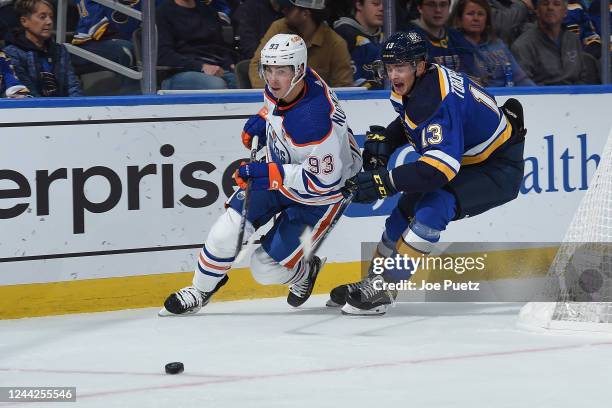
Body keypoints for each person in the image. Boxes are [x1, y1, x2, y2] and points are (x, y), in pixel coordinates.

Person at [160, 33, 362, 316]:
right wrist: (264, 118)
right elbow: (277, 106)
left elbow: (322, 183)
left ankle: (304, 273)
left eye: (281, 71)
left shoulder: (314, 122)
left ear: (299, 70)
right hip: (284, 171)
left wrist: (269, 173)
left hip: (320, 197)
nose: (273, 79)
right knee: (224, 233)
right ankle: (200, 289)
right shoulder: (293, 84)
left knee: (265, 270)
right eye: (269, 69)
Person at [327, 31, 527, 315]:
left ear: (420, 66)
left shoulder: (434, 99)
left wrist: (387, 181)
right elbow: (411, 120)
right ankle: (372, 282)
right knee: (404, 210)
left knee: (434, 206)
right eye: (390, 67)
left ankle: (387, 287)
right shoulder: (420, 83)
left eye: (401, 67)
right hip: (471, 158)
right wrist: (389, 139)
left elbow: (439, 170)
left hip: (498, 167)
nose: (393, 75)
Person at [248, 0, 354, 88]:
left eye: (289, 8)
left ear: (305, 13)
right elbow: (257, 65)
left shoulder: (335, 44)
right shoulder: (278, 28)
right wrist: (273, 94)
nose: (283, 10)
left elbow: (343, 87)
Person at [4, 0, 82, 97]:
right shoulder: (11, 54)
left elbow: (73, 86)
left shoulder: (60, 50)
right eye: (42, 17)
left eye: (51, 17)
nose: (49, 22)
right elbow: (26, 93)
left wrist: (74, 107)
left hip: (64, 109)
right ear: (24, 21)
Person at [511, 0, 597, 85]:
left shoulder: (573, 39)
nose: (550, 8)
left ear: (565, 12)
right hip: (542, 96)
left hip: (575, 95)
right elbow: (524, 87)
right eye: (545, 4)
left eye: (556, 4)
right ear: (537, 11)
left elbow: (583, 76)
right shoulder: (523, 45)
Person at [156, 0, 237, 90]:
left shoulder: (208, 11)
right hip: (178, 73)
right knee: (217, 85)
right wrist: (201, 67)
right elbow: (164, 55)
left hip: (214, 68)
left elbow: (219, 46)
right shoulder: (163, 13)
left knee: (243, 81)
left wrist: (229, 64)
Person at [450, 0, 535, 86]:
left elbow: (520, 78)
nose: (476, 18)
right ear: (459, 19)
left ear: (487, 20)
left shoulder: (498, 45)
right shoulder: (452, 47)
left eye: (480, 14)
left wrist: (539, 94)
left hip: (506, 95)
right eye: (470, 14)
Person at [405, 0, 480, 78]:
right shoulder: (408, 39)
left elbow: (471, 75)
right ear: (420, 7)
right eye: (431, 4)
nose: (438, 10)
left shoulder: (457, 37)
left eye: (443, 4)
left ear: (449, 7)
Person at [333, 0, 385, 89]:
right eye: (376, 3)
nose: (382, 8)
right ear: (359, 5)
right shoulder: (344, 34)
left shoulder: (387, 36)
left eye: (385, 5)